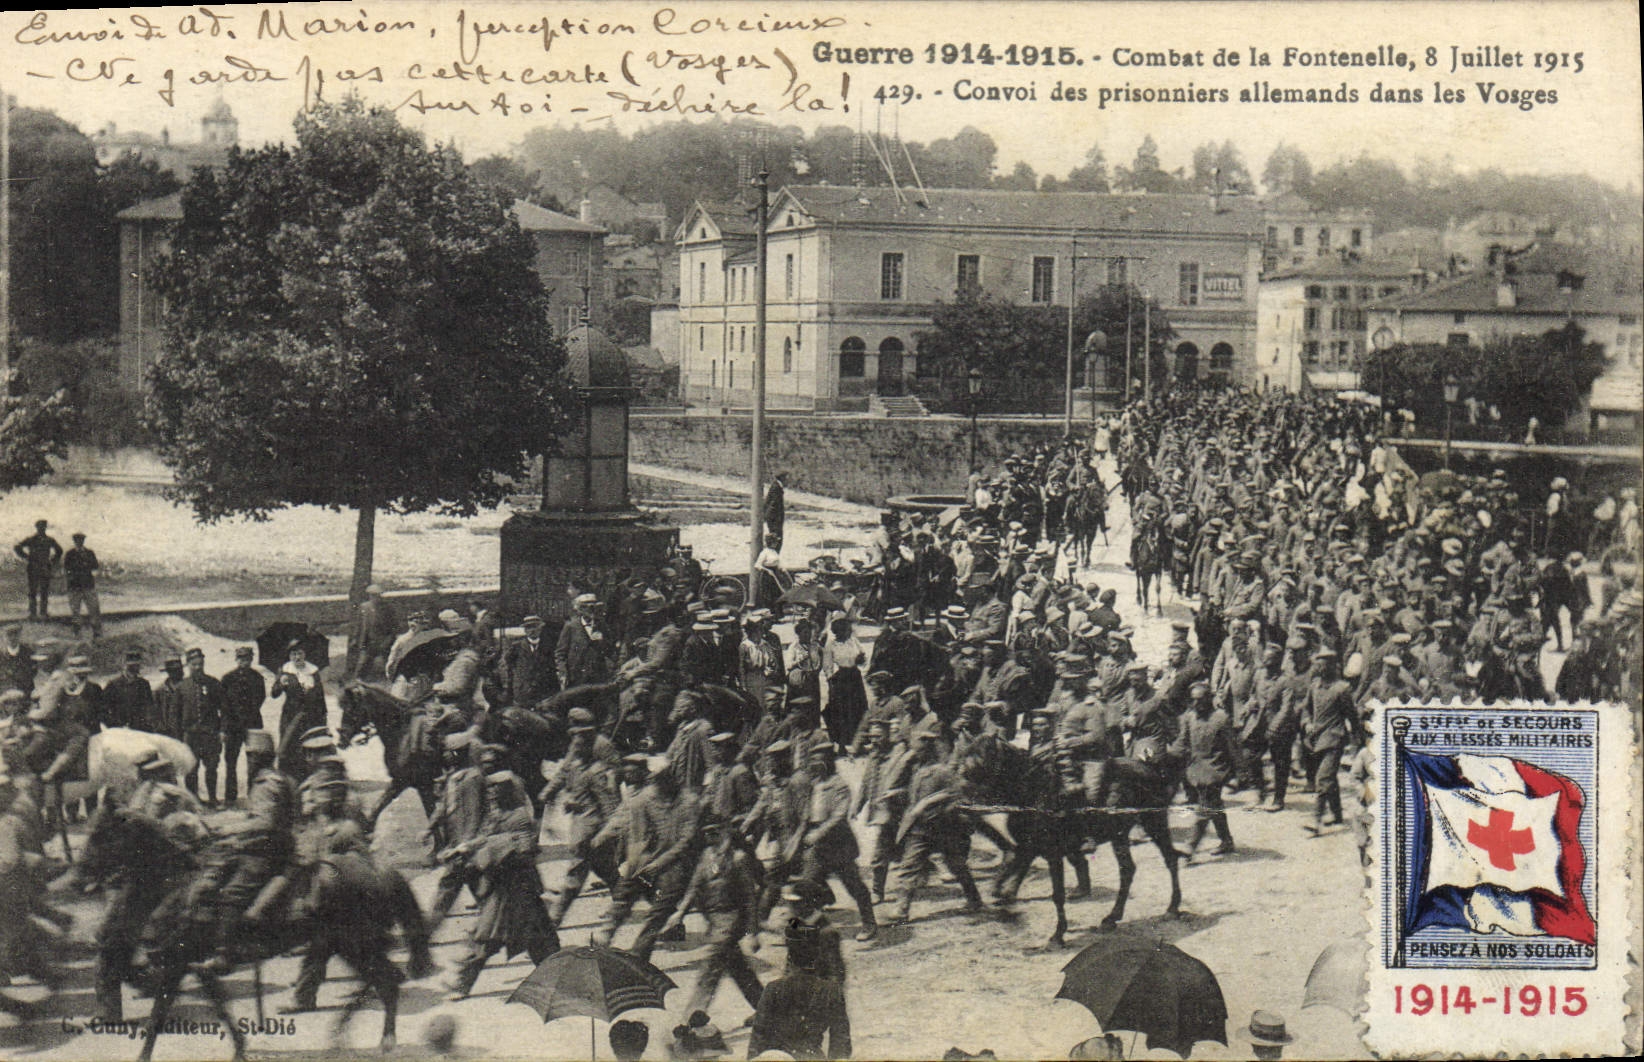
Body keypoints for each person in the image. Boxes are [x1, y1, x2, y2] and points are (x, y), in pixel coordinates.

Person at [444, 770, 560, 999]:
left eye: (495, 791)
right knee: (488, 937)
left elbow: (525, 851)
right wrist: (464, 848)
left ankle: (558, 981)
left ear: (507, 792)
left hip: (519, 889)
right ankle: (462, 984)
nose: (490, 795)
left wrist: (494, 848)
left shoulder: (520, 817)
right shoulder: (496, 815)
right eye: (489, 790)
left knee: (536, 940)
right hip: (501, 888)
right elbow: (485, 837)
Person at [668, 818, 765, 1017]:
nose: (709, 836)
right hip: (714, 921)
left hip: (731, 920)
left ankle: (691, 1019)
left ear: (725, 832)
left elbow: (750, 900)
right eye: (706, 832)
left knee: (711, 968)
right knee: (738, 968)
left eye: (714, 831)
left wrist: (753, 933)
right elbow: (694, 887)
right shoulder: (706, 856)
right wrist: (680, 913)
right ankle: (768, 1012)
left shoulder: (738, 859)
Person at [795, 743, 878, 942]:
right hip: (818, 847)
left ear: (828, 763)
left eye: (819, 761)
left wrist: (818, 833)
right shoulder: (814, 785)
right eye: (813, 760)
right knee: (806, 885)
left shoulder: (839, 784)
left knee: (854, 886)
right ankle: (806, 930)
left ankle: (869, 923)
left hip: (838, 845)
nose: (815, 765)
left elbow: (839, 816)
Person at [746, 923, 853, 1060]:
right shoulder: (830, 990)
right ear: (817, 957)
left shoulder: (774, 989)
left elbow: (758, 1036)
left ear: (789, 958)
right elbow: (840, 1041)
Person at [1173, 680, 1237, 859]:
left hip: (1215, 769)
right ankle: (1226, 841)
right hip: (1196, 769)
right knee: (1214, 805)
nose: (1195, 704)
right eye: (1193, 700)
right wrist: (1169, 756)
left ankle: (1190, 845)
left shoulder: (1221, 718)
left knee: (1205, 806)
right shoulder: (1189, 717)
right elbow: (1182, 741)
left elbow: (1233, 748)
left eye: (1200, 700)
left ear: (1209, 699)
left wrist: (1241, 774)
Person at [220, 647, 267, 805]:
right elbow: (224, 704)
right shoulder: (227, 678)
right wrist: (225, 727)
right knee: (230, 761)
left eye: (246, 658)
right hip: (232, 726)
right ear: (236, 659)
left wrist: (248, 715)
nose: (243, 661)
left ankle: (253, 795)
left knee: (254, 761)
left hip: (252, 724)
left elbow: (260, 699)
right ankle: (230, 797)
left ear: (251, 659)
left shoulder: (257, 678)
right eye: (240, 658)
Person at [178, 647, 226, 804]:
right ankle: (194, 800)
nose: (198, 668)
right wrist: (178, 737)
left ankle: (213, 798)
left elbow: (224, 709)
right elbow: (175, 715)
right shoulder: (182, 686)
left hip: (210, 734)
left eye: (200, 664)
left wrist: (222, 730)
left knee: (211, 767)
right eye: (194, 664)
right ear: (188, 665)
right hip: (190, 735)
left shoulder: (213, 683)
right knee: (191, 768)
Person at [273, 641, 327, 773]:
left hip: (310, 716)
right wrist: (280, 684)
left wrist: (323, 716)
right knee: (288, 745)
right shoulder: (285, 670)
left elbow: (320, 695)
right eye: (293, 654)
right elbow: (274, 693)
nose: (297, 657)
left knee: (309, 746)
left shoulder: (313, 671)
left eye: (300, 653)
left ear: (305, 655)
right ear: (290, 656)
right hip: (291, 715)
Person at [499, 614, 557, 707]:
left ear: (540, 628)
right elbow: (508, 667)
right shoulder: (516, 647)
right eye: (528, 627)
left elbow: (552, 670)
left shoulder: (549, 647)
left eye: (535, 626)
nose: (532, 630)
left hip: (543, 693)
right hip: (522, 692)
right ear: (525, 630)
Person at [558, 593, 612, 689]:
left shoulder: (602, 626)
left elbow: (609, 650)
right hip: (576, 676)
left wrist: (602, 642)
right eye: (585, 608)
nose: (590, 611)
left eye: (593, 608)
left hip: (597, 675)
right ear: (579, 610)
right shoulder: (571, 626)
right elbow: (561, 653)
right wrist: (563, 672)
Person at [13, 519, 62, 620]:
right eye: (40, 527)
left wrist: (52, 561)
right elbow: (17, 547)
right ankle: (33, 613)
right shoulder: (31, 539)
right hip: (33, 568)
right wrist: (27, 557)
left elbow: (59, 550)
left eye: (43, 527)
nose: (41, 529)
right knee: (32, 591)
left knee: (44, 591)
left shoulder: (49, 540)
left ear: (45, 528)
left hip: (44, 568)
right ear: (37, 528)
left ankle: (43, 612)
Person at [348, 583, 398, 680]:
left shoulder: (387, 608)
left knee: (388, 662)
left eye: (377, 595)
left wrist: (389, 639)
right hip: (368, 641)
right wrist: (355, 638)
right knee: (363, 662)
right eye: (372, 595)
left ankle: (392, 680)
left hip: (383, 640)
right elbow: (359, 625)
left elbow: (393, 627)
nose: (375, 597)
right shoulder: (364, 607)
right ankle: (359, 680)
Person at [104, 648, 156, 733]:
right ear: (124, 666)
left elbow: (149, 707)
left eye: (137, 666)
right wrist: (114, 726)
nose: (135, 669)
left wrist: (148, 723)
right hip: (121, 731)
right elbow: (103, 710)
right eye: (131, 667)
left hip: (142, 730)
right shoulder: (113, 685)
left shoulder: (144, 684)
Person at [63, 532, 102, 638]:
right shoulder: (70, 554)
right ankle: (77, 633)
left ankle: (97, 632)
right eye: (77, 540)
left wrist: (90, 574)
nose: (79, 542)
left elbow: (95, 567)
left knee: (94, 609)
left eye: (81, 540)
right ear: (74, 541)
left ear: (83, 541)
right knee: (75, 611)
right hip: (74, 587)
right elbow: (67, 569)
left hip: (88, 585)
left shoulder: (90, 553)